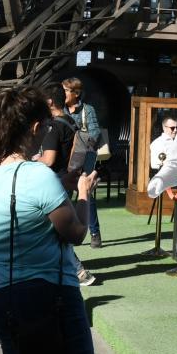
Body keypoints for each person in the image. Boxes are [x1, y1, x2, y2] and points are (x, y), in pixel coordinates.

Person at [0, 86, 97, 354]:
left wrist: (58, 186)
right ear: (35, 127)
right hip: (48, 293)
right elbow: (76, 233)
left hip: (0, 292)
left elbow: (18, 202)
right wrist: (84, 193)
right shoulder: (39, 175)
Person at [36, 86, 95, 286]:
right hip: (68, 179)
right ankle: (76, 270)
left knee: (54, 230)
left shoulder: (53, 126)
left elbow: (49, 159)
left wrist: (32, 161)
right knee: (56, 230)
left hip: (56, 181)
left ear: (50, 102)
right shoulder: (70, 121)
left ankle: (78, 271)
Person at [62, 77, 103, 248]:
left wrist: (82, 145)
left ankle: (94, 233)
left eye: (66, 90)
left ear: (76, 93)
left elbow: (95, 132)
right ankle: (67, 231)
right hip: (66, 157)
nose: (63, 93)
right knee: (65, 194)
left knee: (85, 192)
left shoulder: (88, 110)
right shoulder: (60, 109)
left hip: (85, 155)